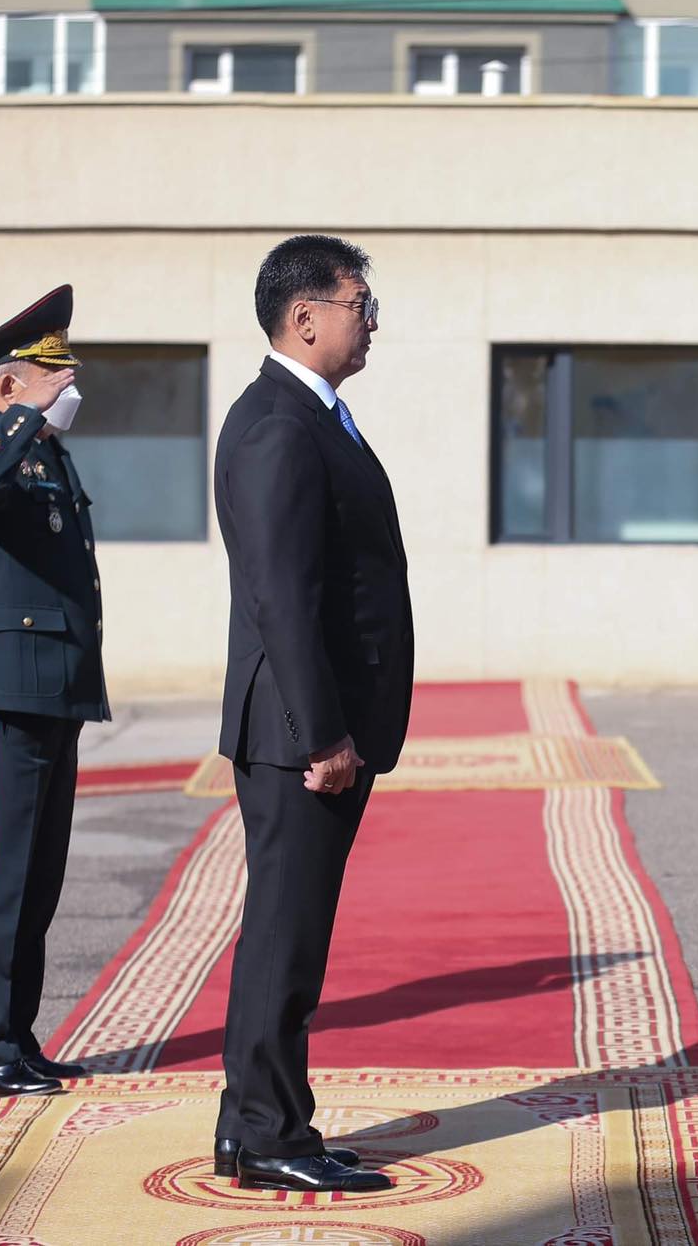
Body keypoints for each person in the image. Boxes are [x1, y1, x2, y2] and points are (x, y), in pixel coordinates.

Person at [212, 235, 414, 1194]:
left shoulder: (311, 415)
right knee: (286, 932)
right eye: (358, 304)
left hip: (312, 721)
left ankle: (255, 1122)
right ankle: (270, 1134)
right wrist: (323, 733)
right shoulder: (279, 425)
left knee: (288, 927)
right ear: (306, 317)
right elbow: (281, 598)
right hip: (300, 731)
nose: (369, 321)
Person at [0, 285, 110, 1099]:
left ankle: (17, 1035)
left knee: (37, 882)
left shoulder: (43, 454)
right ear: (8, 384)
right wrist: (22, 416)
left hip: (54, 690)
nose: (69, 380)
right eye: (51, 371)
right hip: (1, 691)